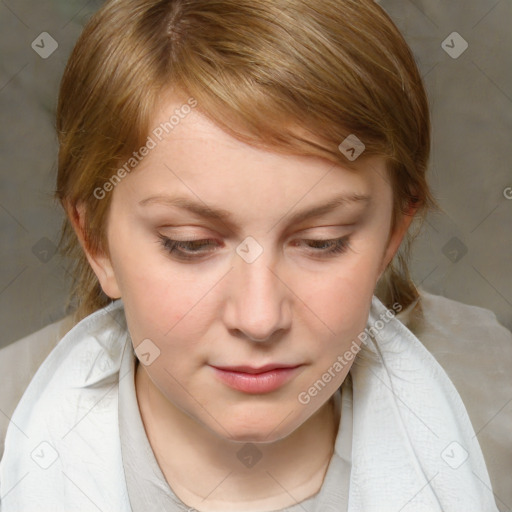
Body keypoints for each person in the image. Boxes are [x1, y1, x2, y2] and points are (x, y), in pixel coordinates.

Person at [0, 0, 510, 511]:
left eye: (322, 241)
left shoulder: (496, 408)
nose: (260, 318)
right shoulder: (12, 429)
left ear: (393, 233)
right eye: (191, 244)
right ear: (96, 242)